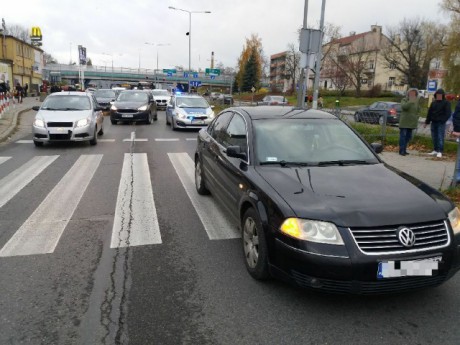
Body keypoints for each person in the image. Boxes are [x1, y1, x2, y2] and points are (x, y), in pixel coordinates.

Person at [424, 89, 451, 158]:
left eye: (440, 95)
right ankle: (435, 150)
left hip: (440, 123)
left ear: (443, 95)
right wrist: (427, 122)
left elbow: (448, 113)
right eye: (437, 95)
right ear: (436, 95)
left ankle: (440, 151)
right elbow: (429, 113)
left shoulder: (446, 103)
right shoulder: (433, 103)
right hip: (433, 122)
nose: (439, 96)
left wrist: (442, 120)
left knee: (440, 137)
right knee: (434, 137)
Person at [398, 88, 420, 156]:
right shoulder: (404, 100)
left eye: (414, 94)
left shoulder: (416, 101)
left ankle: (404, 149)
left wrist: (417, 116)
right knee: (403, 137)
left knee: (408, 137)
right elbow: (404, 107)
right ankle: (401, 150)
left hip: (411, 123)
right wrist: (410, 101)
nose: (413, 95)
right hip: (404, 122)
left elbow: (418, 110)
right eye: (411, 93)